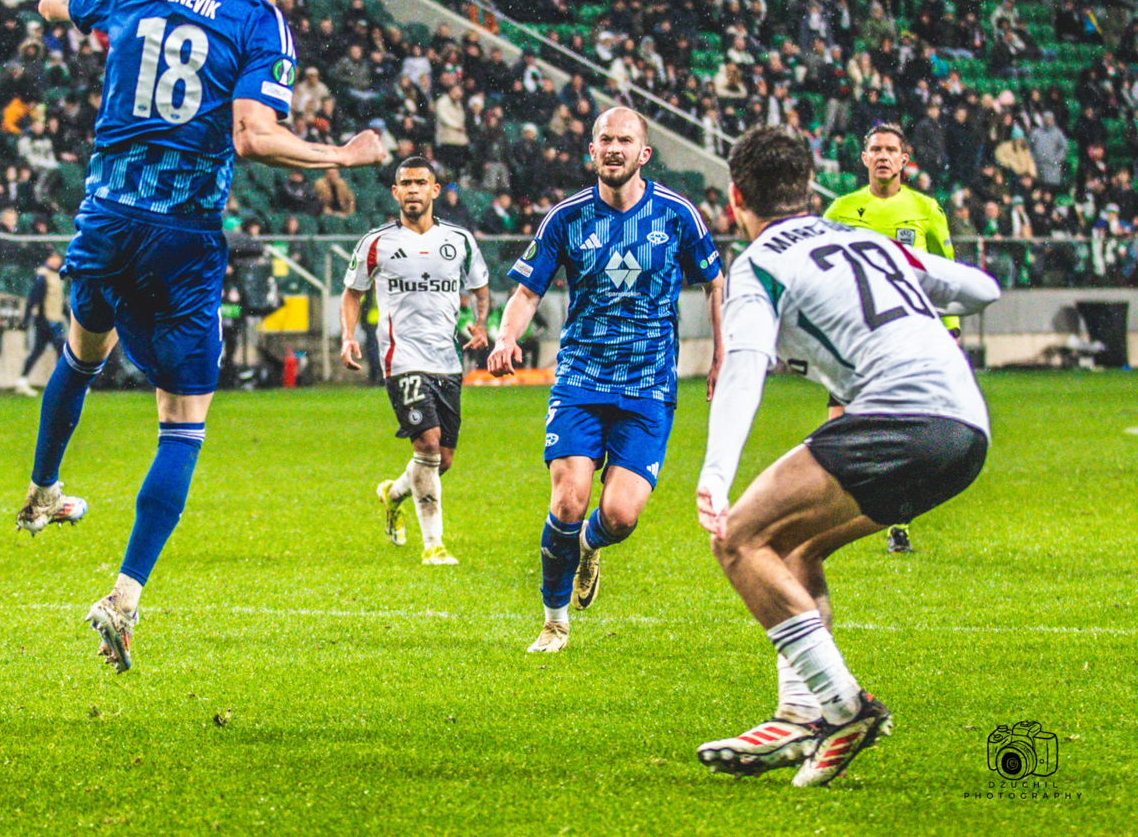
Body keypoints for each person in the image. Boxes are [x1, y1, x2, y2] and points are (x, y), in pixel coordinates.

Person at [24, 0, 386, 673]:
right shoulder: (259, 19)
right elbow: (253, 134)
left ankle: (43, 488)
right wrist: (340, 155)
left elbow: (52, 2)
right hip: (182, 234)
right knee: (182, 421)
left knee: (82, 354)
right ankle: (123, 596)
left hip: (105, 216)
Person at [692, 126, 998, 787]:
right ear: (810, 190)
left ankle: (844, 708)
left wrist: (716, 474)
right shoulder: (867, 238)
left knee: (740, 536)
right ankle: (798, 715)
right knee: (796, 551)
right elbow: (982, 291)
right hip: (967, 428)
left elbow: (742, 366)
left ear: (735, 198)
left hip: (902, 417)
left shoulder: (759, 264)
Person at [488, 107, 725, 653]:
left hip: (647, 386)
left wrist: (720, 355)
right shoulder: (566, 219)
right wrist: (506, 339)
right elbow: (527, 291)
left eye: (625, 140)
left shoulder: (677, 214)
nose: (614, 148)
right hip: (581, 378)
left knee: (618, 516)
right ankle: (553, 621)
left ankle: (591, 547)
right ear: (591, 151)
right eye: (604, 140)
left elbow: (715, 282)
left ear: (644, 153)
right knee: (568, 500)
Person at [339, 156, 491, 566]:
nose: (411, 190)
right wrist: (348, 335)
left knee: (442, 459)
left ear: (434, 190)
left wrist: (480, 324)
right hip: (401, 358)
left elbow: (480, 286)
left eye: (420, 183)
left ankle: (393, 494)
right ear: (394, 192)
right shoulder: (376, 242)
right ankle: (434, 545)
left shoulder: (458, 240)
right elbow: (352, 291)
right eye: (404, 183)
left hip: (447, 360)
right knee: (425, 445)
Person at [822, 125, 956, 554]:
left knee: (901, 429)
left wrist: (950, 330)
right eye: (875, 148)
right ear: (863, 158)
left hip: (904, 335)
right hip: (853, 334)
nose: (883, 156)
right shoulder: (841, 210)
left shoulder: (926, 210)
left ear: (904, 159)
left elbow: (945, 273)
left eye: (891, 150)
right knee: (837, 425)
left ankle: (897, 518)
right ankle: (828, 512)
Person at [16, 251, 69, 397]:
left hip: (54, 319)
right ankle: (63, 383)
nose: (57, 261)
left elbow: (59, 300)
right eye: (54, 258)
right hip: (46, 320)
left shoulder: (57, 276)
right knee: (60, 349)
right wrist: (26, 320)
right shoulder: (43, 277)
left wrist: (67, 316)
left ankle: (22, 380)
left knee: (38, 350)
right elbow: (33, 299)